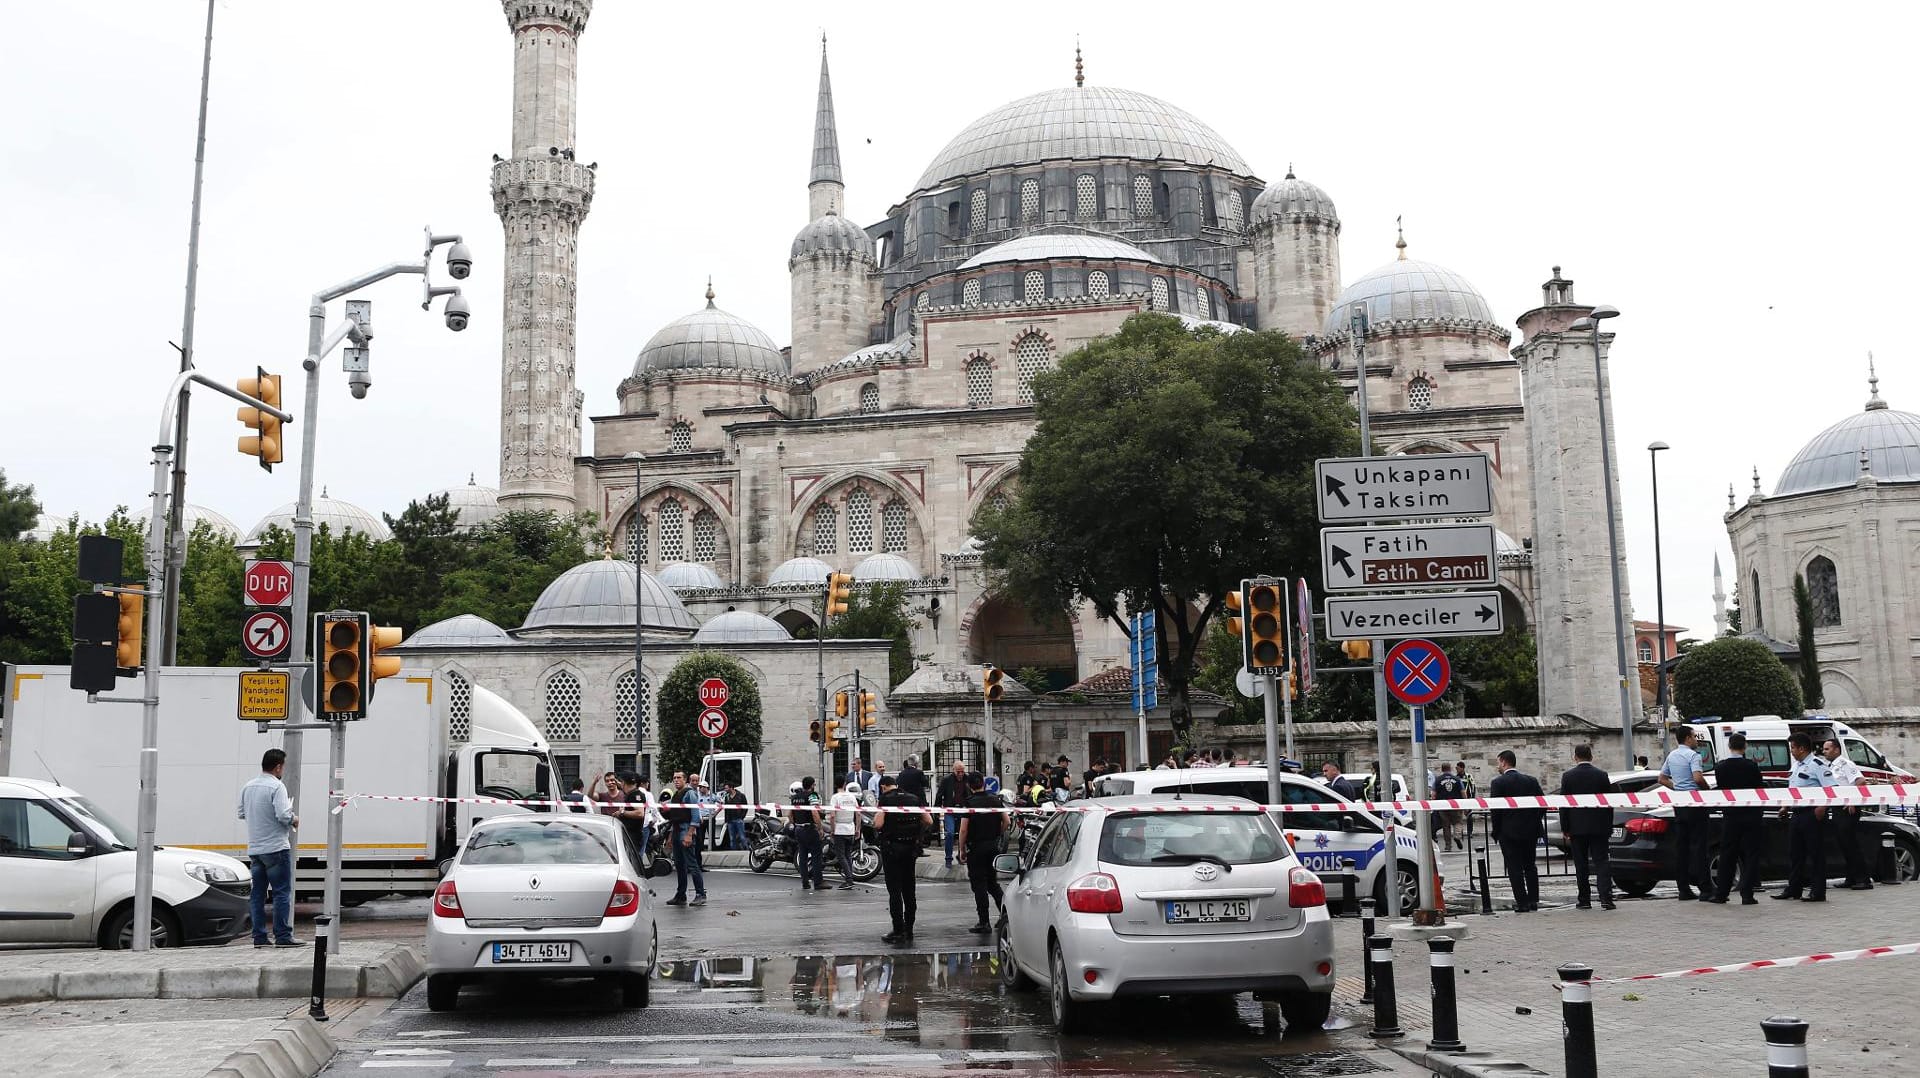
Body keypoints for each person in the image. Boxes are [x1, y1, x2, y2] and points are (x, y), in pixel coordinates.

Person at [237, 748, 300, 947]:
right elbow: (282, 815)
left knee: (257, 895)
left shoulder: (248, 786)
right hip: (276, 848)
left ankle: (260, 938)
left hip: (255, 849)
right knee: (281, 893)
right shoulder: (276, 787)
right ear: (278, 766)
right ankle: (283, 936)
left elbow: (240, 813)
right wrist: (294, 819)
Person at [873, 774, 931, 945]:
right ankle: (910, 928)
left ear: (883, 787)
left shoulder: (884, 799)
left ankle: (898, 930)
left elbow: (878, 824)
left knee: (895, 891)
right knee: (909, 889)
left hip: (892, 849)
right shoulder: (914, 798)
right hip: (911, 849)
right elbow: (928, 820)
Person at [1775, 732, 1833, 902]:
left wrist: (1822, 807)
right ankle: (1794, 889)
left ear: (1802, 748)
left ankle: (1817, 891)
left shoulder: (1818, 765)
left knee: (1815, 854)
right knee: (1795, 854)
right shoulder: (1796, 766)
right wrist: (1785, 806)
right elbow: (1793, 790)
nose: (1791, 751)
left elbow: (1832, 789)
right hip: (1797, 814)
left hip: (1811, 814)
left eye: (1792, 747)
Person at [1709, 733, 1766, 904]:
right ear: (1745, 747)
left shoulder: (1721, 768)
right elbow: (1759, 789)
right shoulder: (1752, 766)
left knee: (1727, 854)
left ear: (1729, 746)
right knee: (1751, 854)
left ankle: (1721, 893)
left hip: (1730, 816)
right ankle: (1747, 894)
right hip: (1750, 815)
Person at [1557, 744, 1614, 910]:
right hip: (1599, 827)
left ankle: (1584, 899)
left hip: (1577, 827)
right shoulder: (1602, 775)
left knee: (1581, 864)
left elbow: (1564, 804)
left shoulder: (1568, 777)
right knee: (1602, 862)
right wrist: (1608, 826)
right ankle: (1606, 898)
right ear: (1591, 757)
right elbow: (1608, 804)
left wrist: (1565, 827)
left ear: (1575, 757)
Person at [1489, 750, 1545, 912]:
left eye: (1499, 763)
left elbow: (1496, 810)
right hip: (1530, 831)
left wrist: (1497, 830)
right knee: (1530, 866)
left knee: (1514, 868)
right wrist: (1534, 820)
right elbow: (1543, 804)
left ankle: (1522, 902)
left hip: (1509, 832)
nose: (1498, 766)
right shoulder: (1531, 781)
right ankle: (1533, 900)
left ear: (1504, 762)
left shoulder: (1498, 783)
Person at [1658, 727, 1710, 900]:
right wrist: (1707, 790)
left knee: (1682, 848)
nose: (1696, 740)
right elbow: (1697, 778)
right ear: (1688, 738)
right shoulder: (1694, 756)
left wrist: (1678, 788)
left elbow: (1662, 778)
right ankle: (1705, 888)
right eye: (1694, 737)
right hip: (1695, 803)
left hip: (1679, 805)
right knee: (1699, 847)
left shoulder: (1671, 756)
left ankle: (1683, 888)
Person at [956, 771, 1005, 933]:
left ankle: (984, 922)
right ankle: (1006, 916)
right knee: (993, 884)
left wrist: (961, 849)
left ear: (969, 786)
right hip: (992, 846)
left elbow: (963, 830)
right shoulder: (995, 800)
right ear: (983, 783)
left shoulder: (969, 803)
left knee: (979, 886)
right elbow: (1007, 820)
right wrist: (996, 833)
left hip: (976, 848)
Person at [1823, 738, 1873, 890]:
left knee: (1850, 844)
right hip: (1838, 807)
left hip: (1848, 807)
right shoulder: (1830, 766)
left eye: (1827, 749)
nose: (1824, 752)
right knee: (1843, 844)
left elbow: (1860, 781)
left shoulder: (1846, 764)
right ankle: (1851, 878)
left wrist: (1852, 800)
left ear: (1836, 750)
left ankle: (1864, 880)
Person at [664, 773, 706, 907]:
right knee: (680, 865)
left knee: (692, 865)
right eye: (674, 778)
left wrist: (689, 834)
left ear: (685, 780)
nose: (676, 780)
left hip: (685, 829)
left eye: (679, 778)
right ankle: (681, 895)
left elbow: (695, 815)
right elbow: (674, 817)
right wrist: (671, 837)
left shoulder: (690, 794)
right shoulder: (676, 795)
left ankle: (700, 894)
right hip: (676, 830)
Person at [790, 776, 826, 890]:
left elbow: (790, 814)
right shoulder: (812, 796)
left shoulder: (795, 798)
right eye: (814, 785)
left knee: (803, 857)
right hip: (809, 828)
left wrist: (794, 824)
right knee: (816, 856)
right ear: (811, 785)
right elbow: (815, 813)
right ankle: (818, 882)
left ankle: (805, 882)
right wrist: (820, 828)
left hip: (799, 829)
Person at [828, 781, 864, 889]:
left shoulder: (835, 798)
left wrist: (833, 830)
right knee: (848, 854)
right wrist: (857, 828)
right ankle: (850, 877)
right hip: (850, 828)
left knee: (841, 855)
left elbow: (833, 815)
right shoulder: (852, 797)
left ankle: (849, 879)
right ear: (844, 784)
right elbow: (858, 813)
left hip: (840, 829)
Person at [935, 761, 969, 866]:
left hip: (963, 810)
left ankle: (961, 855)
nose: (960, 774)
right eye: (958, 772)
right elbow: (939, 794)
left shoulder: (968, 779)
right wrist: (937, 809)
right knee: (950, 833)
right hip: (950, 810)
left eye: (962, 772)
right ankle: (948, 858)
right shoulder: (946, 780)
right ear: (953, 770)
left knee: (963, 834)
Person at [1433, 763, 1465, 850]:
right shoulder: (1457, 779)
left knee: (1446, 826)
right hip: (1456, 805)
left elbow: (1434, 794)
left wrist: (1434, 805)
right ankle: (1457, 836)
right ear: (1450, 769)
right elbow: (1463, 792)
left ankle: (1448, 846)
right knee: (1458, 822)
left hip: (1443, 806)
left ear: (1442, 769)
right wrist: (1465, 803)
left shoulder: (1437, 780)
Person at [722, 781, 749, 852]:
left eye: (726, 788)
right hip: (730, 820)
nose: (725, 790)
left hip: (738, 819)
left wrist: (742, 817)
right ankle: (734, 851)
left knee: (742, 836)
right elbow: (726, 809)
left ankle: (746, 850)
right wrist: (726, 820)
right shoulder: (726, 797)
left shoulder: (741, 795)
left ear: (731, 788)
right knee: (732, 838)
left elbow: (745, 807)